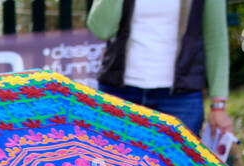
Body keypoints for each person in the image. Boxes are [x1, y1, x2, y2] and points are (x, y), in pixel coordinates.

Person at [87, 0, 232, 137]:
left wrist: (218, 105)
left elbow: (215, 40)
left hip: (180, 100)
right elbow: (101, 30)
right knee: (112, 161)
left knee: (175, 164)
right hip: (119, 93)